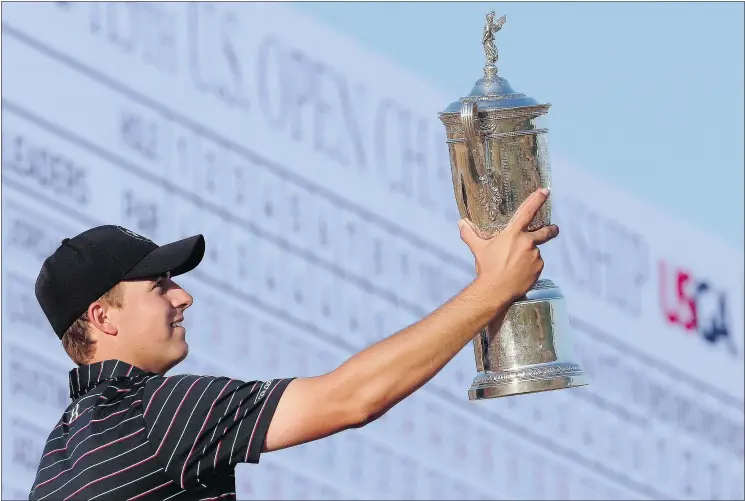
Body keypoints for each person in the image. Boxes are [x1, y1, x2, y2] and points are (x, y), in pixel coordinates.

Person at [29, 188, 558, 500]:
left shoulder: (56, 459)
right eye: (160, 284)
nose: (183, 296)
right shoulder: (153, 415)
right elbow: (351, 398)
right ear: (102, 317)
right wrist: (493, 289)